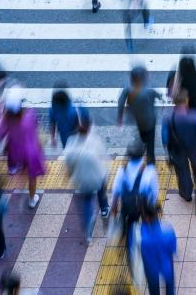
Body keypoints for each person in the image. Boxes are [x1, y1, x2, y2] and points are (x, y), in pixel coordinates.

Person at [0, 87, 46, 208]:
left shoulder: (7, 120)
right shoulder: (30, 115)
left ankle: (16, 173)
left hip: (15, 151)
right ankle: (32, 200)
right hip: (31, 152)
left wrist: (2, 115)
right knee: (32, 176)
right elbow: (36, 130)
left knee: (19, 168)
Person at [63, 112, 110, 244]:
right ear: (89, 128)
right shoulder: (94, 140)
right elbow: (103, 157)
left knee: (87, 200)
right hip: (97, 175)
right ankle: (104, 210)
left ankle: (88, 230)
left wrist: (70, 174)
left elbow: (68, 162)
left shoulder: (71, 143)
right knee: (102, 192)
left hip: (82, 178)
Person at [161, 89, 196, 201]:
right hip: (193, 147)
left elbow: (164, 137)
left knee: (182, 172)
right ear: (187, 100)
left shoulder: (167, 117)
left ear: (174, 102)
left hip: (177, 150)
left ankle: (186, 193)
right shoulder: (194, 115)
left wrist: (166, 151)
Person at [111, 139, 159, 254]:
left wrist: (114, 206)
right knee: (148, 225)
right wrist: (152, 205)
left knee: (130, 222)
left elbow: (116, 189)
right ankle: (147, 244)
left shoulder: (122, 170)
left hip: (127, 204)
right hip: (144, 206)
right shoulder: (149, 171)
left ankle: (128, 243)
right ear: (143, 154)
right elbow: (154, 191)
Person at [118, 66, 162, 164]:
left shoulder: (128, 89)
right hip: (150, 120)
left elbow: (120, 102)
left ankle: (140, 152)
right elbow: (159, 96)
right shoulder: (149, 90)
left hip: (138, 119)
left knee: (142, 136)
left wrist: (120, 117)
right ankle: (150, 161)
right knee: (150, 141)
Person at [139, 200, 177, 295]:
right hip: (166, 266)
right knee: (170, 287)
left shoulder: (143, 236)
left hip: (151, 268)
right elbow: (171, 251)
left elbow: (143, 257)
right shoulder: (168, 231)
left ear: (146, 217)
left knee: (153, 289)